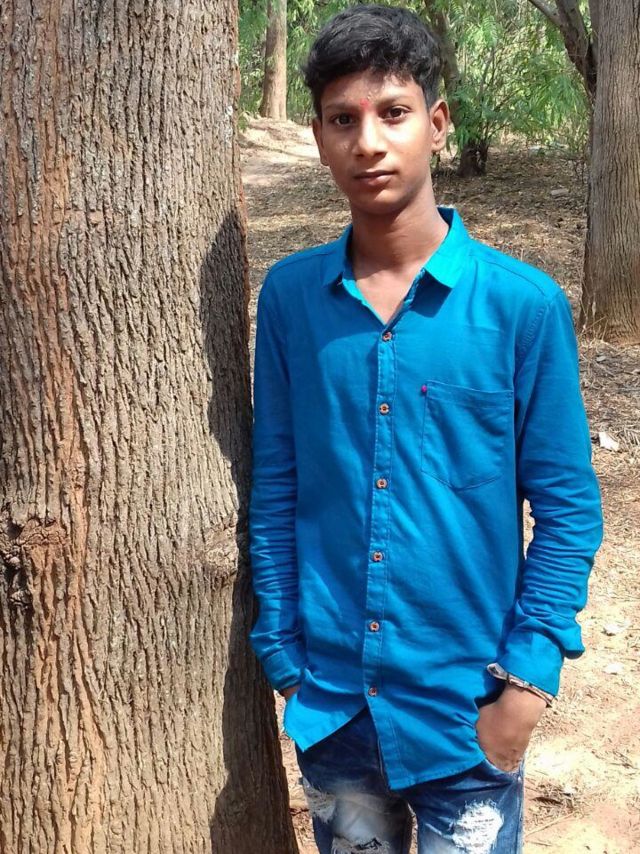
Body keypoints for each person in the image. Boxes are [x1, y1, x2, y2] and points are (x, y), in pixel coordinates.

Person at [248, 5, 604, 852]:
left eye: (394, 112)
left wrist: (526, 686)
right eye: (343, 119)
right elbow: (277, 485)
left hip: (467, 712)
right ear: (319, 137)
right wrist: (286, 659)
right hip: (333, 706)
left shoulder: (521, 308)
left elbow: (567, 507)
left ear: (437, 125)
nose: (368, 142)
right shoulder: (292, 299)